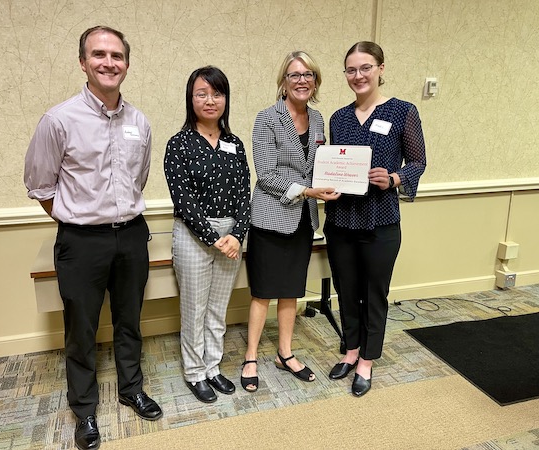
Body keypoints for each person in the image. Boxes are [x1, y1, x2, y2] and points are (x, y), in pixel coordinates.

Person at [24, 25, 162, 450]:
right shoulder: (59, 119)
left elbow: (138, 179)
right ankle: (84, 409)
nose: (108, 63)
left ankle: (130, 388)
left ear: (126, 64)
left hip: (131, 236)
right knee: (81, 330)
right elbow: (41, 186)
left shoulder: (139, 121)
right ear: (83, 62)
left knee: (129, 320)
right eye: (98, 55)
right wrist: (79, 220)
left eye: (116, 56)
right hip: (81, 241)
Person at [325, 41, 426, 397]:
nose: (358, 76)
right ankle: (350, 350)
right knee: (346, 291)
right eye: (351, 70)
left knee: (374, 293)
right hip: (340, 222)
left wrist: (395, 178)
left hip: (381, 220)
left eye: (365, 67)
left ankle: (367, 359)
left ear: (381, 69)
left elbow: (418, 162)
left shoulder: (403, 112)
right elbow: (335, 164)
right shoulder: (338, 117)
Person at [241, 51, 339, 392]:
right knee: (263, 291)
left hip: (302, 220)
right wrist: (310, 190)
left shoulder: (319, 119)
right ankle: (251, 356)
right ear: (284, 81)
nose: (302, 80)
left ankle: (285, 352)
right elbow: (266, 175)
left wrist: (333, 182)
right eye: (295, 75)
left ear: (316, 82)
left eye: (308, 75)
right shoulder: (267, 118)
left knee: (291, 292)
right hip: (270, 216)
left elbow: (319, 165)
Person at [164, 66, 251, 403]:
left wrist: (237, 235)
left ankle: (213, 367)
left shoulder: (234, 143)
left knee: (217, 309)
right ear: (191, 98)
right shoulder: (179, 144)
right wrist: (214, 238)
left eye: (217, 93)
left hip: (231, 236)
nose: (210, 100)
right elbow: (182, 199)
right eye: (202, 93)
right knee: (195, 308)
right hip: (193, 235)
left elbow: (245, 195)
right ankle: (195, 372)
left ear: (226, 99)